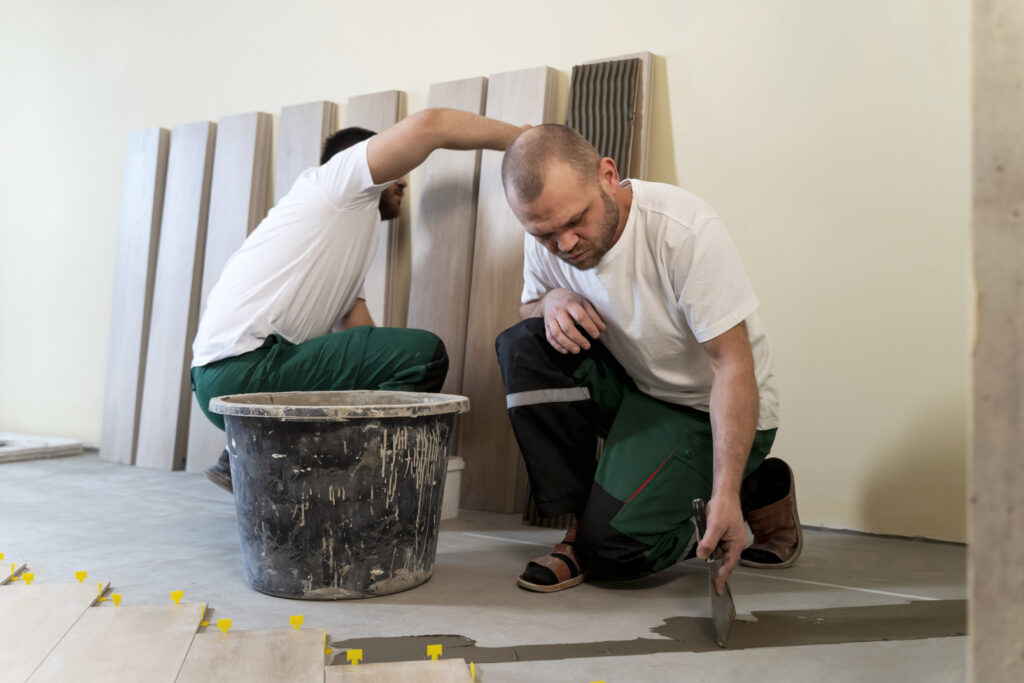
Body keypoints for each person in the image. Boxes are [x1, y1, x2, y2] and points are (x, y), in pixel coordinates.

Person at [496, 124, 801, 594]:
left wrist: (724, 495)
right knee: (525, 342)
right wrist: (551, 300)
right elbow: (529, 308)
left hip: (710, 410)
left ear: (608, 175)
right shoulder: (549, 233)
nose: (565, 244)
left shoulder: (683, 230)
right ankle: (579, 528)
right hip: (641, 393)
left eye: (577, 221)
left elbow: (731, 364)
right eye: (546, 234)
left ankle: (755, 486)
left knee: (614, 552)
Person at [191, 109, 524, 492]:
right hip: (242, 368)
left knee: (408, 360)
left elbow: (357, 330)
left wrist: (389, 376)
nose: (403, 180)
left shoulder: (346, 229)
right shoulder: (335, 182)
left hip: (225, 376)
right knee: (425, 355)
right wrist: (521, 138)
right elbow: (431, 124)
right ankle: (336, 481)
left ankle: (255, 452)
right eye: (396, 170)